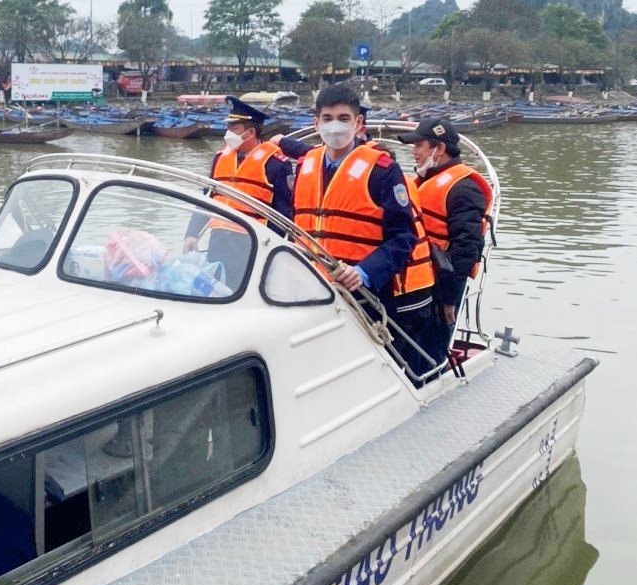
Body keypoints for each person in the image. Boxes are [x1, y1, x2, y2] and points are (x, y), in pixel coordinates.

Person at [270, 84, 436, 376]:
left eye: (344, 118)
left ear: (358, 123)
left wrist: (363, 272)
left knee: (370, 370)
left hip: (364, 294)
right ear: (316, 123)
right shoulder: (306, 164)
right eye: (328, 117)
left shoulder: (382, 169)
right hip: (311, 288)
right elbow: (297, 225)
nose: (336, 125)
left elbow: (403, 237)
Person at [397, 118, 492, 354]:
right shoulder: (424, 181)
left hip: (440, 287)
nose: (414, 152)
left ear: (438, 149)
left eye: (419, 145)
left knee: (430, 349)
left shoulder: (464, 188)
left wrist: (448, 299)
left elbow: (466, 248)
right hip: (416, 282)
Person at [184, 95, 294, 290]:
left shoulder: (276, 164)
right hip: (218, 241)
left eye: (234, 129)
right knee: (214, 291)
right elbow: (207, 197)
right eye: (229, 128)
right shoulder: (220, 158)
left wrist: (271, 249)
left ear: (250, 132)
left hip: (252, 244)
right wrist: (192, 233)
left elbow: (285, 214)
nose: (228, 134)